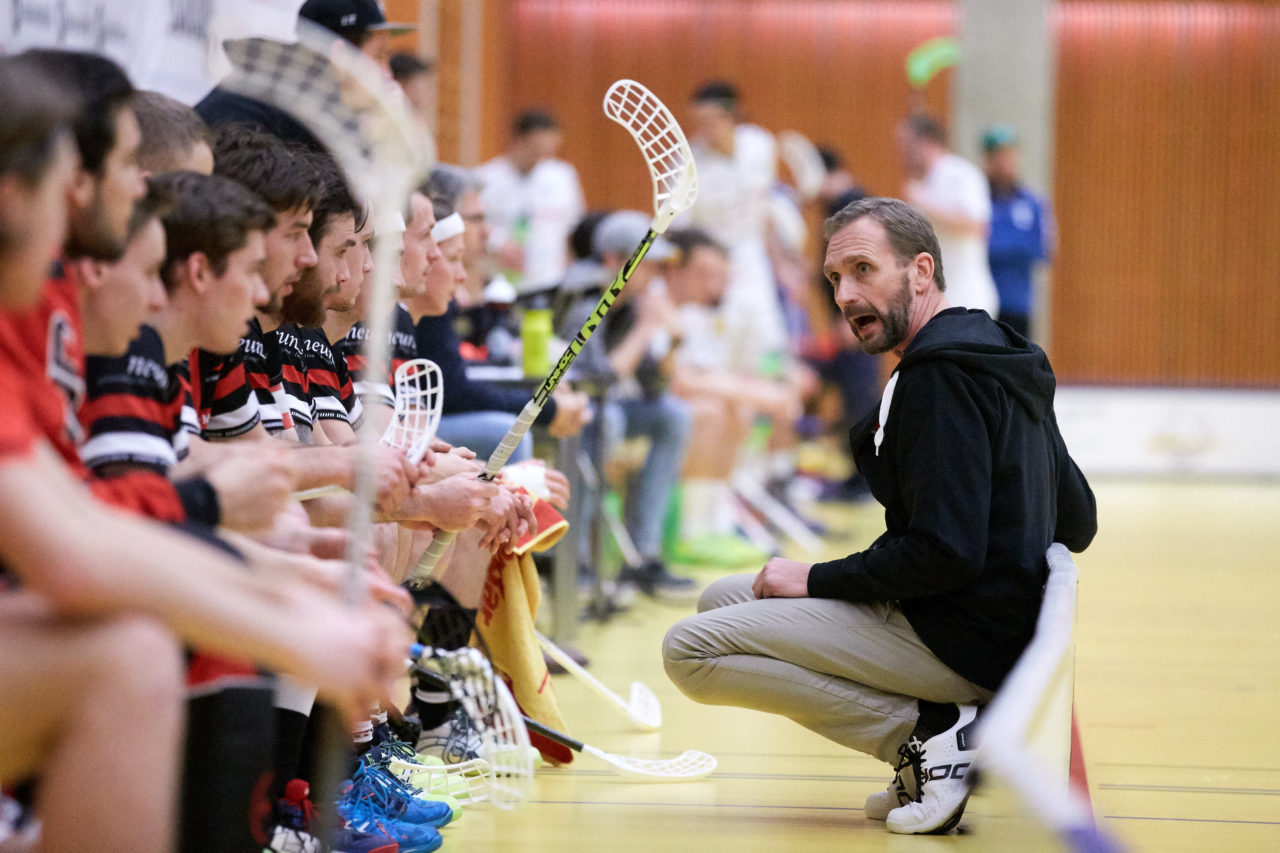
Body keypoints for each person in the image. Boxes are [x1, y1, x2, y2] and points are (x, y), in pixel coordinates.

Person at [663, 197, 1097, 835]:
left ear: (920, 272)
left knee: (691, 651)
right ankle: (934, 732)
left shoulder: (938, 381)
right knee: (722, 598)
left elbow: (944, 551)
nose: (844, 294)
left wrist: (814, 578)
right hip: (991, 621)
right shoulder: (1002, 351)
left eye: (864, 270)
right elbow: (1079, 519)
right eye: (835, 278)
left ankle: (928, 737)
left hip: (963, 635)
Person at [558, 210, 696, 596]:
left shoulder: (630, 304)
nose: (655, 276)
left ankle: (644, 553)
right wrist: (646, 330)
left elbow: (653, 386)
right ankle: (576, 557)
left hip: (602, 411)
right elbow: (597, 382)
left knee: (673, 416)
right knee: (609, 420)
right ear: (615, 261)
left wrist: (673, 341)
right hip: (563, 414)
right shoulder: (583, 299)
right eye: (648, 265)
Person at [683, 81, 788, 379]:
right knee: (720, 355)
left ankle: (762, 422)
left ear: (732, 116)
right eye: (698, 122)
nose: (703, 129)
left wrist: (783, 265)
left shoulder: (761, 145)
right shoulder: (687, 161)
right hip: (712, 274)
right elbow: (681, 231)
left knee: (769, 349)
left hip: (754, 265)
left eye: (710, 121)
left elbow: (766, 211)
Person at [896, 113, 999, 318]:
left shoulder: (960, 174)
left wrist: (926, 204)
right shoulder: (922, 183)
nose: (901, 153)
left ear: (926, 142)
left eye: (906, 145)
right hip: (935, 300)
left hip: (967, 300)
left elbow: (977, 226)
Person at [477, 109, 585, 292]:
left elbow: (572, 229)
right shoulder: (486, 179)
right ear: (517, 140)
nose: (540, 157)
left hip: (550, 281)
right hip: (499, 282)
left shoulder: (563, 176)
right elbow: (473, 228)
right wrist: (497, 245)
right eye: (535, 149)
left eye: (547, 151)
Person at [982, 124, 1054, 339]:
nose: (1005, 163)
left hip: (1019, 304)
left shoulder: (1032, 202)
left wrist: (999, 245)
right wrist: (1013, 245)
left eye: (1010, 156)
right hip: (983, 304)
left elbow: (1041, 249)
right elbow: (979, 247)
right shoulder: (979, 201)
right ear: (988, 161)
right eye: (999, 157)